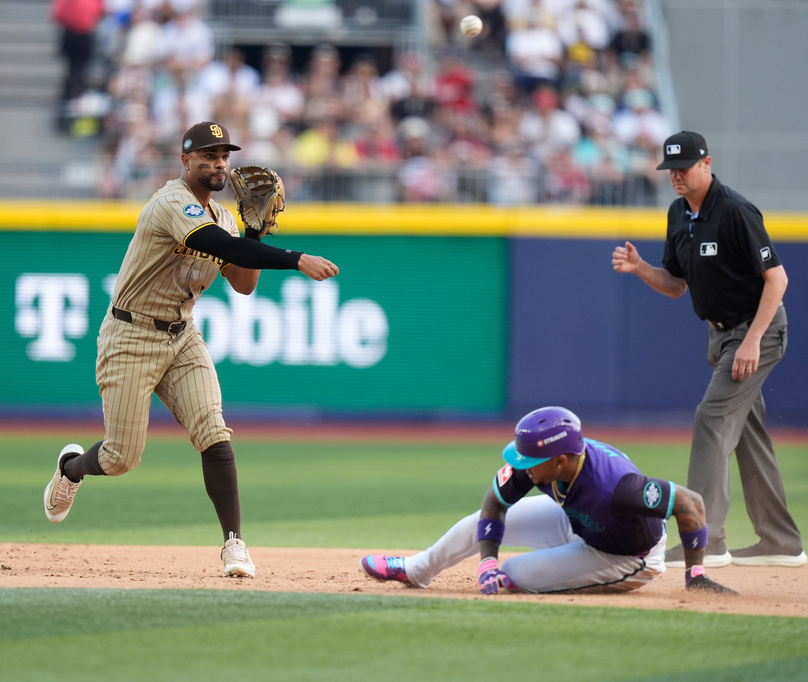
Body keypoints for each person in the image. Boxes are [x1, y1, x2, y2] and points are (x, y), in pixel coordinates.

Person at [43, 121, 340, 578]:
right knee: (122, 457)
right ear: (186, 161)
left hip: (182, 336)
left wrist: (255, 231)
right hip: (131, 335)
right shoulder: (170, 203)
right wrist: (294, 258)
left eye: (224, 156)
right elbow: (212, 244)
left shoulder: (224, 217)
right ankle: (71, 469)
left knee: (213, 431)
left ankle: (234, 544)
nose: (219, 163)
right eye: (207, 155)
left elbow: (242, 284)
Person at [612, 130, 805, 568]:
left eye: (683, 168)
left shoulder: (735, 210)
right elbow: (677, 285)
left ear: (706, 163)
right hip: (722, 337)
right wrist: (641, 267)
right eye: (670, 170)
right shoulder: (678, 214)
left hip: (757, 331)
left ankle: (706, 538)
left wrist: (752, 340)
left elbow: (777, 279)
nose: (676, 176)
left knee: (712, 419)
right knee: (748, 436)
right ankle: (781, 542)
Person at [360, 406, 737, 595]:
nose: (520, 466)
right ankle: (417, 569)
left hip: (626, 555)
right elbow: (495, 503)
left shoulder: (617, 485)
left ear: (560, 460)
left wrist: (696, 574)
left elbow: (690, 503)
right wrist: (487, 560)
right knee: (479, 522)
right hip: (578, 520)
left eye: (528, 461)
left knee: (515, 575)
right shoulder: (545, 465)